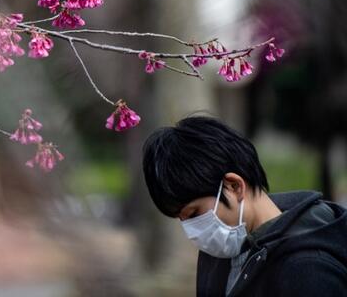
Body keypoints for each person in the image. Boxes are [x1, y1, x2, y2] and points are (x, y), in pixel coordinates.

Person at [142, 115, 347, 296]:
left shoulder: (308, 269)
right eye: (182, 220)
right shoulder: (220, 251)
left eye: (195, 213)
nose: (193, 232)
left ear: (234, 186)